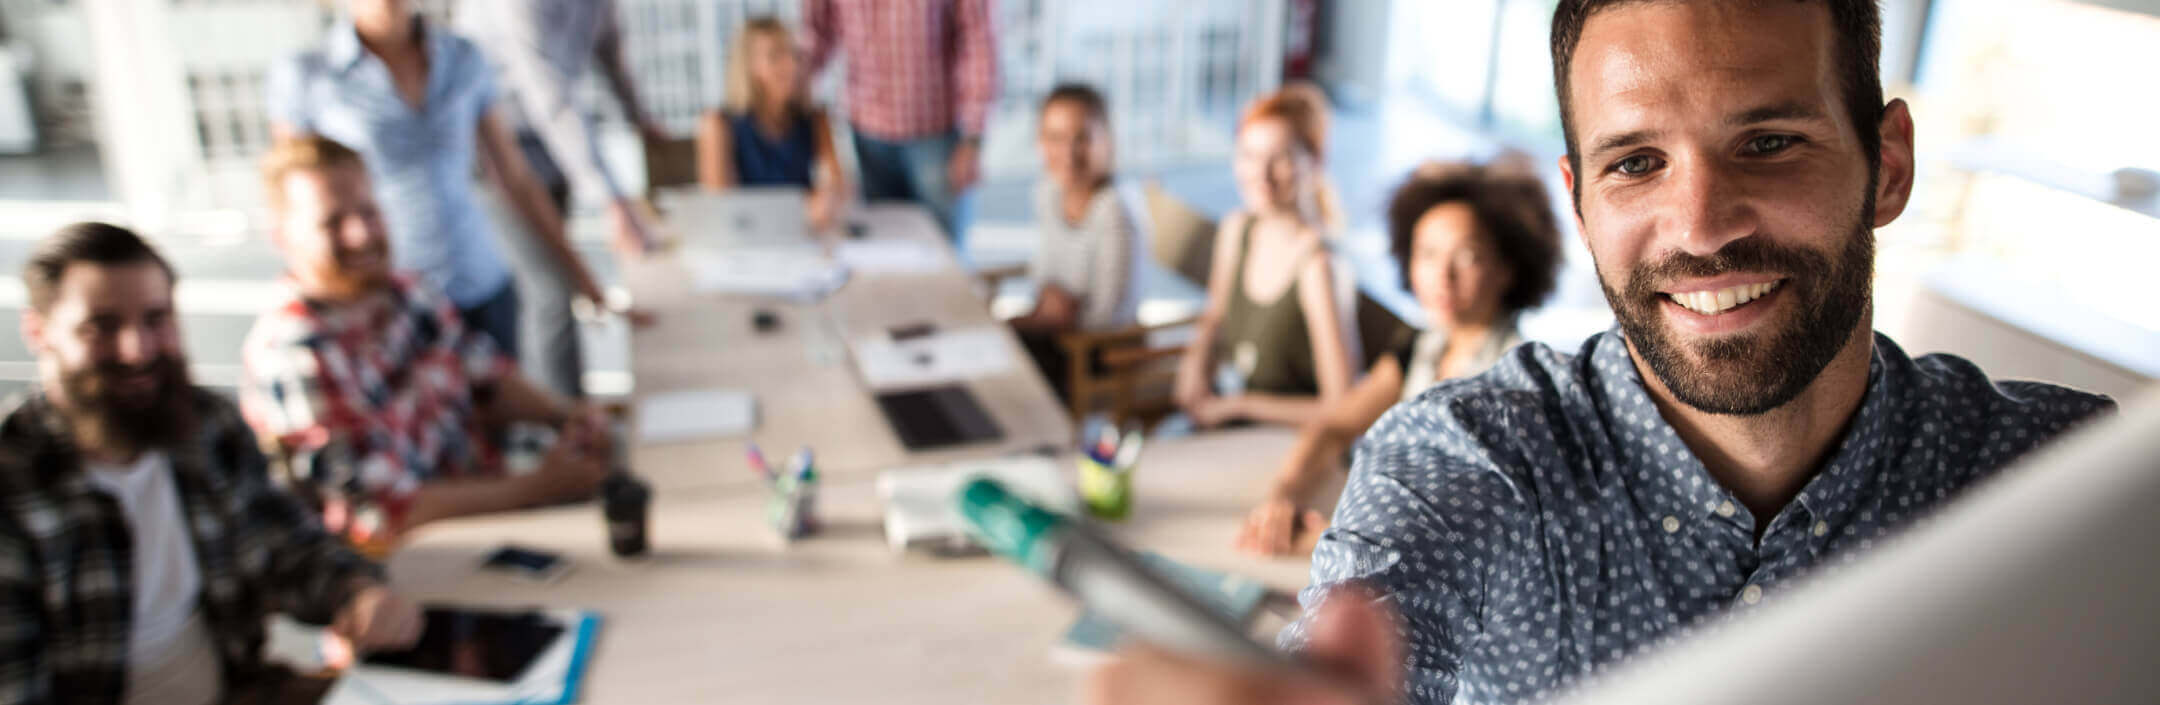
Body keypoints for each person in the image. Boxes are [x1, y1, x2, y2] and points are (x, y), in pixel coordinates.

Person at [1087, 2, 2118, 704]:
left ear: (1887, 165)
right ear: (1581, 202)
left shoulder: (2074, 487)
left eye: (1768, 141)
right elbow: (1373, 635)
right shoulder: (1462, 460)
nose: (1702, 224)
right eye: (1637, 163)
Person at [0, 222, 423, 705]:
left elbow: (290, 546)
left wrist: (358, 594)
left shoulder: (207, 426)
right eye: (102, 327)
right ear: (38, 331)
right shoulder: (13, 485)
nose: (138, 351)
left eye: (156, 320)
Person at [239, 136, 612, 548]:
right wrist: (540, 487)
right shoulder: (293, 354)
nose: (361, 234)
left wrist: (566, 416)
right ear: (281, 237)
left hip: (491, 516)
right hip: (415, 564)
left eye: (368, 211)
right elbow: (383, 514)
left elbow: (487, 380)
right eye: (332, 222)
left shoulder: (406, 291)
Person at [265, 0, 625, 363]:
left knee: (506, 406)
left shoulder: (463, 57)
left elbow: (516, 178)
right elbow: (294, 207)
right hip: (388, 300)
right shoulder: (307, 76)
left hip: (483, 284)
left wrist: (580, 273)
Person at [1234, 159, 1563, 556]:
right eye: (1427, 254)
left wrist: (1334, 544)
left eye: (1468, 256)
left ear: (1507, 269)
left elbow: (1481, 530)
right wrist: (1282, 497)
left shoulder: (1519, 377)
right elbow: (1334, 426)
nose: (1442, 276)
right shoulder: (1419, 343)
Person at [458, 0, 668, 399]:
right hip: (499, 153)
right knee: (551, 294)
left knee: (563, 287)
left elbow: (611, 56)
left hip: (552, 150)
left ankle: (573, 418)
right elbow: (551, 98)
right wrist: (612, 201)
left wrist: (640, 119)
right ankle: (563, 433)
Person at [1172, 83, 1358, 429]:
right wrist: (1194, 364)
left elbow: (1341, 406)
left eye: (1282, 158)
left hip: (1290, 443)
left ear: (1315, 162)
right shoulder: (1237, 228)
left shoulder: (1320, 265)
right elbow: (1214, 316)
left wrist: (1239, 406)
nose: (1262, 174)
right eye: (1249, 156)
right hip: (1231, 421)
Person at [803, 0, 996, 250]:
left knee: (943, 251)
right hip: (867, 136)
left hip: (937, 136)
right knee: (881, 251)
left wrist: (974, 138)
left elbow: (979, 44)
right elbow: (815, 36)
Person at [1009, 83, 1146, 403]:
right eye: (1055, 138)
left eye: (1082, 137)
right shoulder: (1048, 191)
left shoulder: (1116, 209)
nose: (1068, 153)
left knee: (1004, 366)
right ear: (1040, 142)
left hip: (1099, 351)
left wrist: (1054, 314)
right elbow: (1042, 276)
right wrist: (1048, 305)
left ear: (1107, 141)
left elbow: (1109, 316)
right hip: (1055, 332)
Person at [696, 17, 848, 231]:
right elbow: (720, 207)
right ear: (748, 67)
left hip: (803, 236)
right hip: (749, 241)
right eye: (775, 55)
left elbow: (834, 181)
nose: (792, 64)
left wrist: (829, 196)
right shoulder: (718, 124)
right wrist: (802, 210)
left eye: (794, 53)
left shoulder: (814, 118)